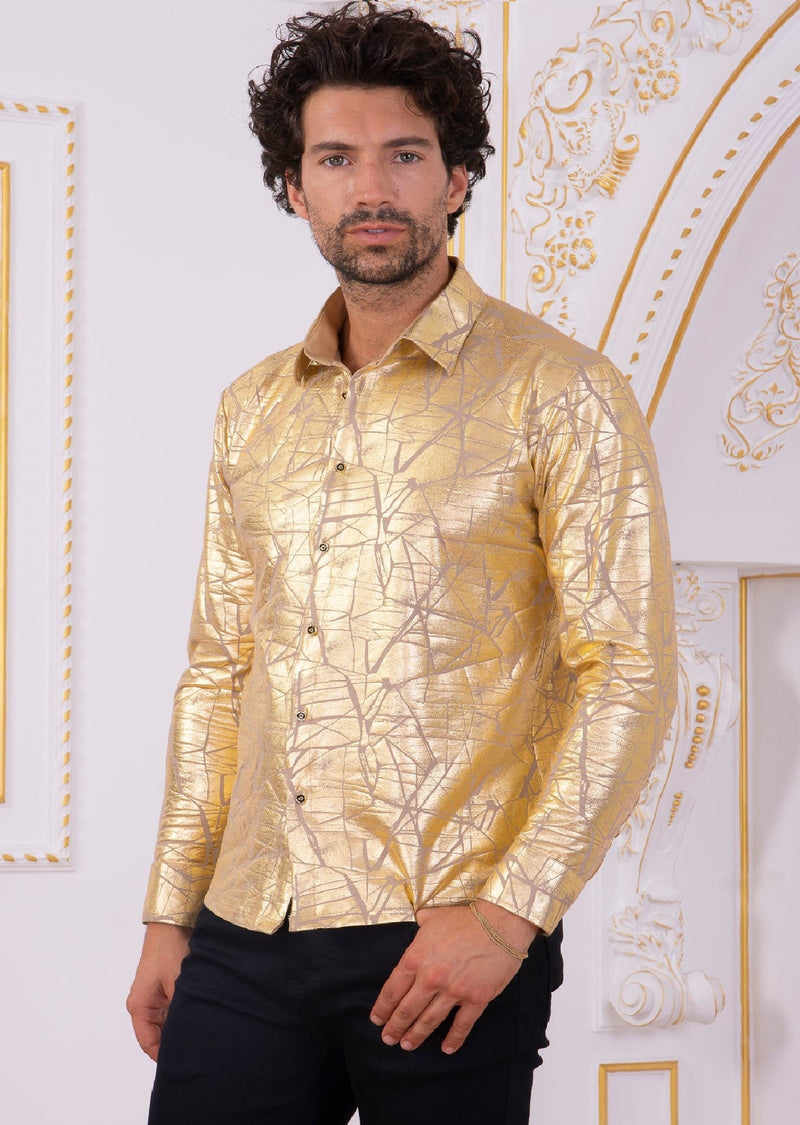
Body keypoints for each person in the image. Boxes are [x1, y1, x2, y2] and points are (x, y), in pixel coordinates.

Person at [127, 4, 677, 1122]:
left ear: (458, 177)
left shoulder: (562, 391)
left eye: (405, 155)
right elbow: (220, 668)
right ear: (294, 187)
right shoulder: (250, 409)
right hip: (249, 924)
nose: (370, 188)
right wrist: (170, 910)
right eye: (336, 158)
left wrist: (508, 916)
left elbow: (627, 670)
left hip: (446, 933)